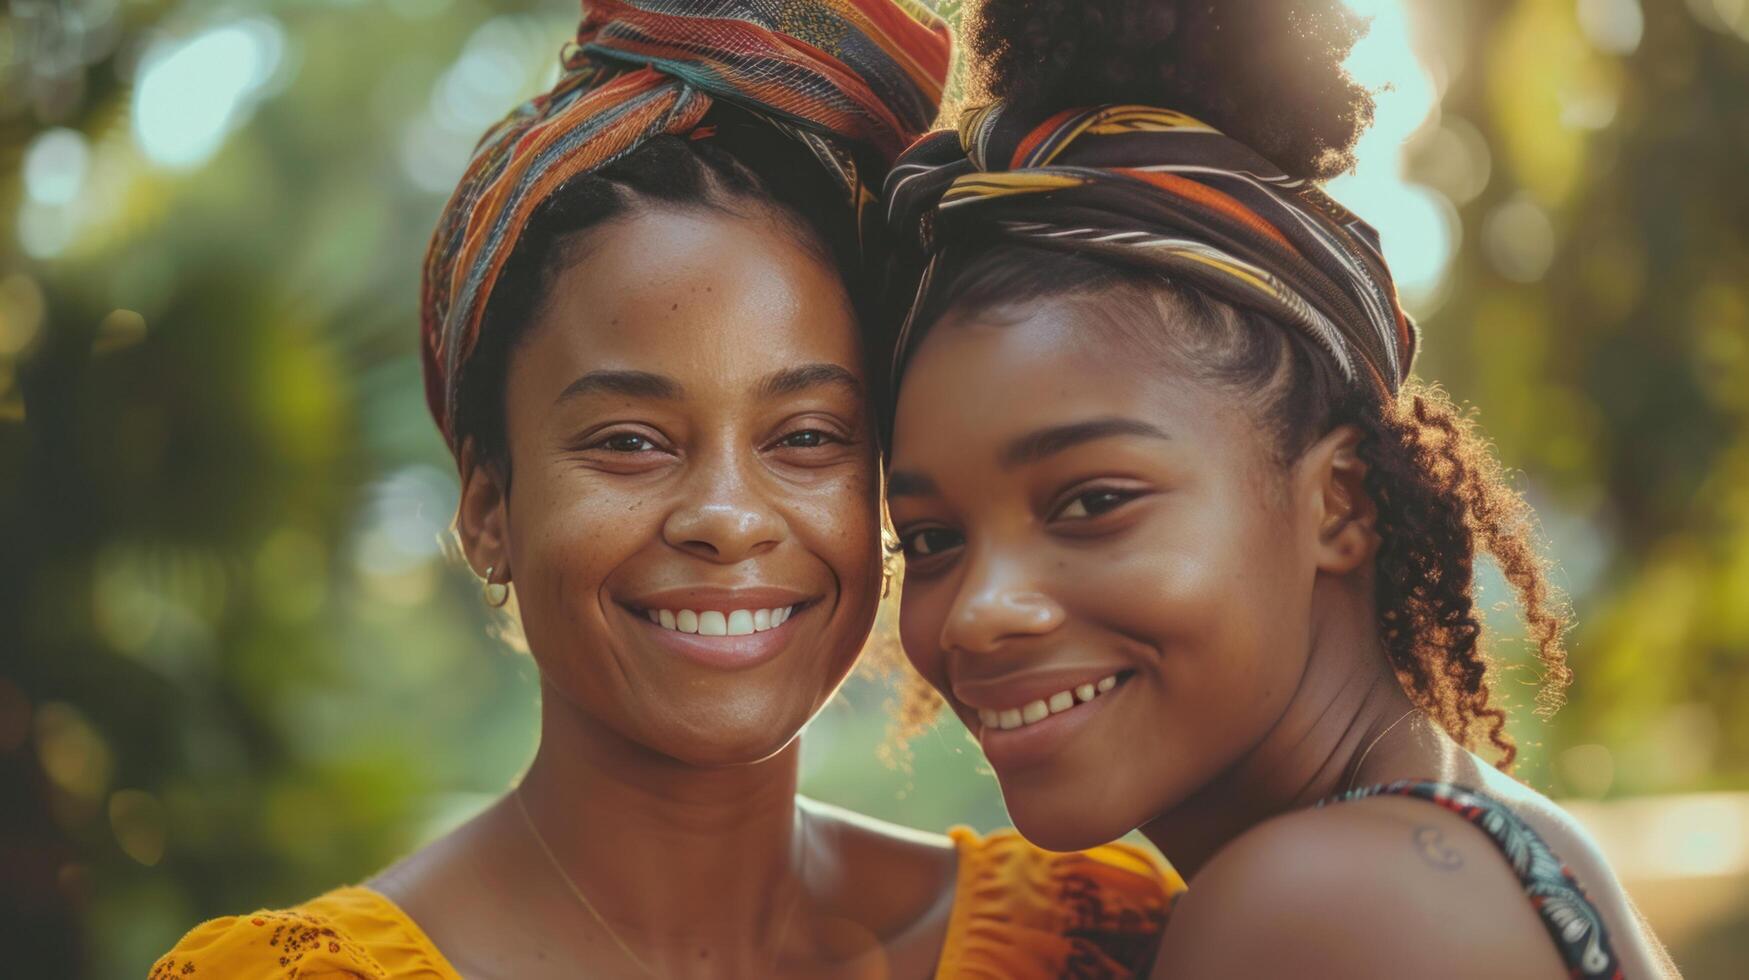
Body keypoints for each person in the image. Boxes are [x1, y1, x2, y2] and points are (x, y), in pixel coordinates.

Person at [152, 2, 1179, 978]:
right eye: (633, 441)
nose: (728, 517)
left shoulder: (1108, 941)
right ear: (488, 506)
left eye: (809, 436)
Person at [879, 1, 1676, 976]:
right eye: (928, 538)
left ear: (1340, 499)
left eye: (1091, 501)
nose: (978, 613)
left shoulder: (1308, 910)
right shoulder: (1498, 845)